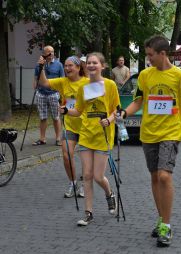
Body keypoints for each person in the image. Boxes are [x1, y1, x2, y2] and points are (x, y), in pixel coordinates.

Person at [120, 35, 181, 247]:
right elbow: (139, 101)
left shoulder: (180, 76)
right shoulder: (145, 75)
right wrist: (124, 113)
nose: (148, 59)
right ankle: (162, 218)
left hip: (171, 132)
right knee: (154, 177)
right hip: (149, 132)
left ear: (163, 54)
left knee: (164, 176)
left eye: (151, 55)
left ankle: (167, 226)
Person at [60, 52, 119, 226]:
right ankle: (88, 213)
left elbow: (117, 109)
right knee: (86, 175)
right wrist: (65, 111)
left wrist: (109, 119)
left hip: (103, 135)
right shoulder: (83, 88)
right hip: (86, 134)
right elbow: (78, 111)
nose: (91, 65)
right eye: (89, 63)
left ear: (102, 66)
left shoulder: (110, 85)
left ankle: (109, 194)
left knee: (98, 176)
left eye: (95, 63)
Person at [38, 55, 89, 198]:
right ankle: (73, 182)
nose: (67, 68)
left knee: (86, 159)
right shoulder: (63, 82)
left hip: (87, 127)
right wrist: (41, 68)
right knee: (66, 156)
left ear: (78, 67)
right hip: (70, 126)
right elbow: (44, 83)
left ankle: (85, 184)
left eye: (70, 65)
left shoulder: (87, 82)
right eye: (65, 66)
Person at [32, 45, 64, 146]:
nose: (51, 54)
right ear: (44, 54)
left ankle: (58, 138)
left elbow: (62, 79)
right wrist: (35, 88)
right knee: (43, 117)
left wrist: (61, 94)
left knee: (56, 117)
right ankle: (42, 139)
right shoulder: (39, 65)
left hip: (53, 94)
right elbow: (36, 78)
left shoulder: (59, 65)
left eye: (53, 52)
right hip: (41, 93)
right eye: (49, 52)